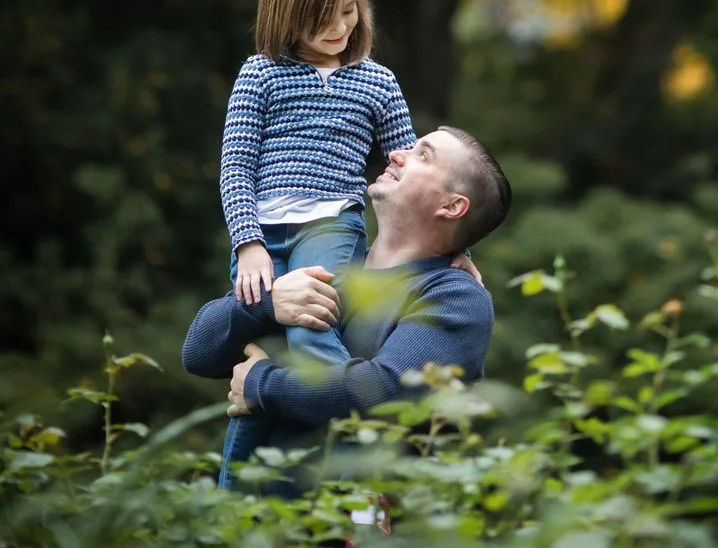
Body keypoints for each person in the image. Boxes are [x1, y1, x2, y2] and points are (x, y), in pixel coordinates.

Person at [183, 125, 511, 495]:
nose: (395, 154)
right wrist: (267, 304)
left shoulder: (454, 296)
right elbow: (198, 354)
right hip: (257, 529)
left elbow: (387, 395)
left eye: (423, 155)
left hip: (350, 539)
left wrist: (262, 383)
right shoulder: (328, 265)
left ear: (452, 206)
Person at [216, 0, 417, 482]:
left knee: (309, 330)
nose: (339, 28)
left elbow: (409, 168)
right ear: (285, 15)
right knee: (262, 359)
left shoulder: (376, 82)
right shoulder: (259, 75)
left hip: (331, 219)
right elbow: (236, 168)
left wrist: (457, 246)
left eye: (349, 11)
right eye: (322, 19)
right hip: (264, 231)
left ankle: (356, 450)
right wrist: (249, 243)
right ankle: (234, 509)